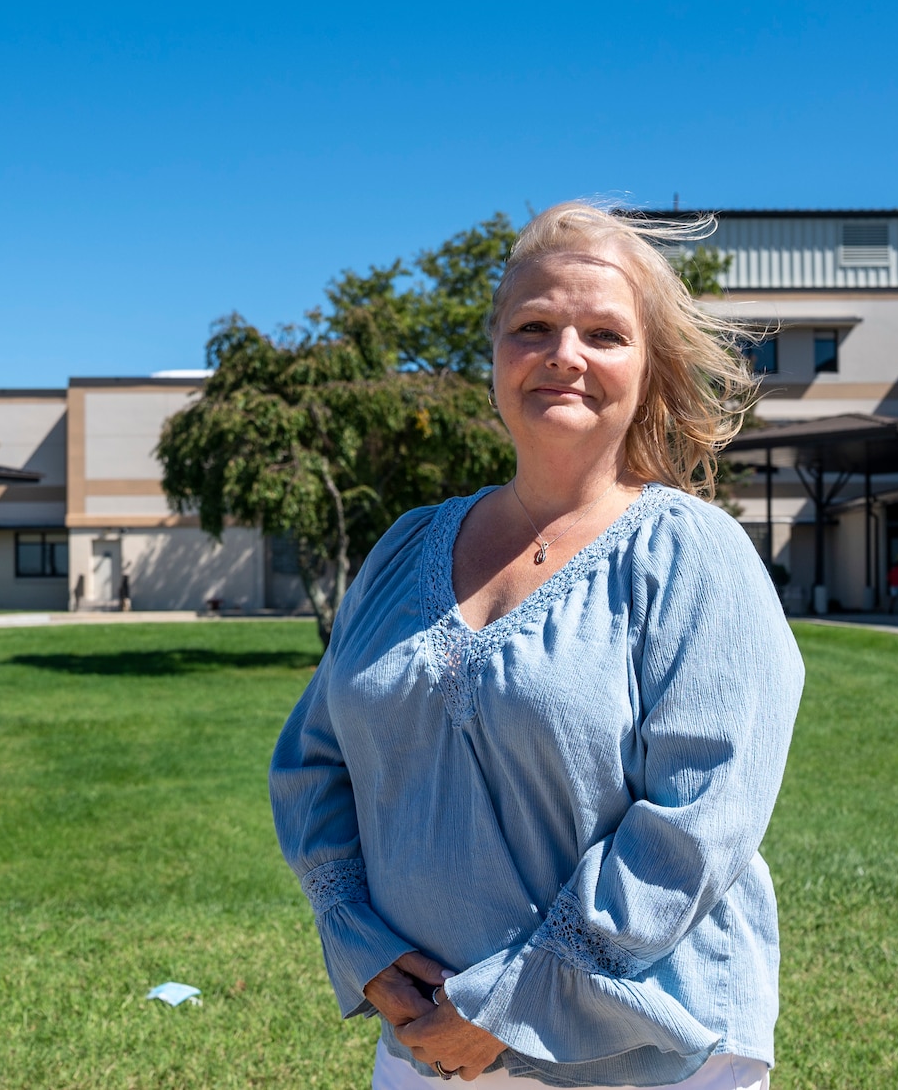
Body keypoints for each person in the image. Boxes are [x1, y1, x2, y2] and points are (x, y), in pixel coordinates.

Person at [271, 201, 803, 1090]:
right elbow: (312, 765)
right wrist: (363, 947)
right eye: (535, 327)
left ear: (647, 365)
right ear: (494, 354)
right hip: (428, 1047)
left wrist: (513, 1002)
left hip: (649, 1057)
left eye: (604, 332)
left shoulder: (692, 556)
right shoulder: (406, 548)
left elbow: (697, 821)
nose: (566, 355)